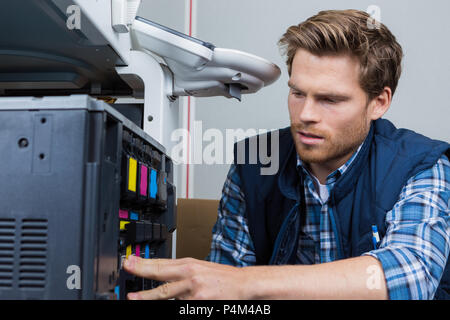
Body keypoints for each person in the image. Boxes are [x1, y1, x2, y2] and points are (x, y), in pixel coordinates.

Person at [123, 9, 450, 300]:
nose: (305, 113)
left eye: (330, 100)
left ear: (379, 102)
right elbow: (222, 284)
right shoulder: (254, 163)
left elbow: (412, 277)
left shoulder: (421, 164)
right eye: (297, 93)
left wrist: (246, 283)